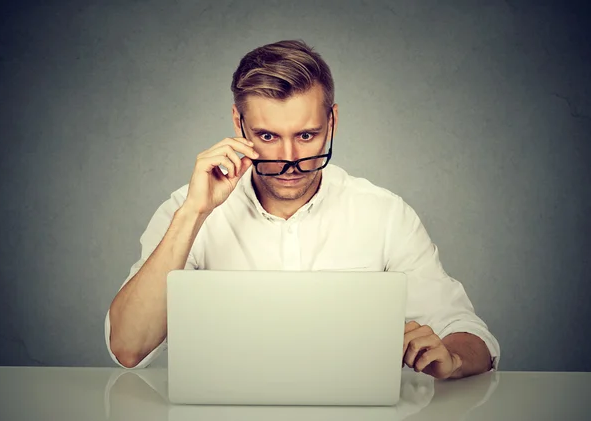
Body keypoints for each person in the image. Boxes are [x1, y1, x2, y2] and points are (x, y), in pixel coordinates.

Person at [105, 39, 500, 379]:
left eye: (306, 135)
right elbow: (128, 348)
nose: (290, 159)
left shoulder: (384, 214)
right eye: (267, 136)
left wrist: (451, 359)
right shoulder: (189, 210)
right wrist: (193, 213)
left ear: (333, 121)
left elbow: (470, 333)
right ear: (238, 124)